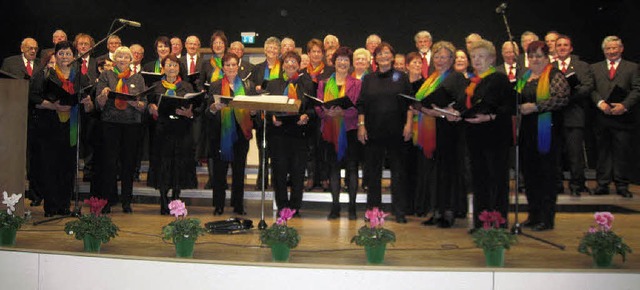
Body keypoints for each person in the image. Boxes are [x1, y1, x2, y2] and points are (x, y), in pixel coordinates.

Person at [28, 40, 93, 217]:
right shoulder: (46, 74)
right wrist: (53, 106)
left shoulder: (80, 76)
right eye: (61, 53)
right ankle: (51, 206)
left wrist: (88, 103)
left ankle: (65, 205)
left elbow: (88, 104)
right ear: (55, 55)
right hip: (49, 126)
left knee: (68, 167)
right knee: (50, 166)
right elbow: (32, 97)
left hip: (71, 127)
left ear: (74, 56)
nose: (65, 57)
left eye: (68, 54)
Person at [412, 41, 467, 228]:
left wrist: (440, 112)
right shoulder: (431, 78)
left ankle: (449, 212)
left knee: (449, 172)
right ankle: (436, 210)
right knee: (434, 173)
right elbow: (422, 102)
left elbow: (461, 105)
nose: (440, 60)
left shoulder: (456, 77)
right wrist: (422, 107)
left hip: (449, 131)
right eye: (436, 56)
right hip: (431, 130)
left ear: (452, 59)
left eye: (444, 57)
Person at [516, 41, 569, 231]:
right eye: (531, 56)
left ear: (547, 58)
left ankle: (546, 218)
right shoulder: (525, 77)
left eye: (538, 56)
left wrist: (536, 107)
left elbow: (561, 98)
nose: (534, 60)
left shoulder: (555, 75)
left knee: (547, 175)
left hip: (548, 132)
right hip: (526, 132)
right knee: (530, 175)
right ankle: (533, 214)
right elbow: (516, 98)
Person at [356, 42, 411, 224]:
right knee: (373, 173)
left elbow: (409, 104)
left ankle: (400, 211)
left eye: (387, 53)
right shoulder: (369, 79)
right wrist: (362, 125)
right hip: (373, 131)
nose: (383, 56)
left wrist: (408, 124)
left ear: (392, 57)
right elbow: (362, 104)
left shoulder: (402, 77)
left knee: (399, 173)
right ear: (375, 58)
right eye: (380, 53)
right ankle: (373, 210)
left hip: (397, 131)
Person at [462, 40, 514, 232]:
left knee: (496, 179)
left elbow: (508, 107)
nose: (476, 60)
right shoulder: (472, 82)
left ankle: (498, 222)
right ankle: (481, 221)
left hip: (494, 136)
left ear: (492, 58)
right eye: (473, 57)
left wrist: (490, 116)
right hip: (475, 136)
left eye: (481, 56)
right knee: (479, 180)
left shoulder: (498, 79)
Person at [95, 46, 148, 214]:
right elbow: (99, 104)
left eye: (126, 57)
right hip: (110, 123)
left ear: (131, 60)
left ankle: (127, 200)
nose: (123, 60)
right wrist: (103, 94)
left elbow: (143, 105)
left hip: (131, 125)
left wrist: (135, 103)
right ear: (115, 59)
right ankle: (108, 200)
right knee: (109, 163)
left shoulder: (138, 78)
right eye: (120, 57)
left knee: (128, 164)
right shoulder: (106, 75)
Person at [146, 54, 198, 215]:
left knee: (179, 166)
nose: (172, 68)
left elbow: (195, 109)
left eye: (175, 65)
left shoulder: (187, 87)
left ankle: (176, 198)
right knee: (163, 166)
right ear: (163, 67)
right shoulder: (156, 86)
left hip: (181, 131)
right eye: (169, 65)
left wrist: (189, 112)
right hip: (162, 132)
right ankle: (163, 199)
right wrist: (151, 108)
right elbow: (148, 106)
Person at [207, 52, 257, 215]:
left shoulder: (248, 85)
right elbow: (207, 111)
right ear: (223, 67)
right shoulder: (215, 85)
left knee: (239, 171)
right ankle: (219, 205)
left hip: (241, 133)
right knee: (219, 172)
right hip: (221, 133)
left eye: (233, 64)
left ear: (238, 66)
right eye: (227, 65)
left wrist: (254, 111)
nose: (230, 68)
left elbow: (255, 111)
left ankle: (238, 205)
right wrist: (214, 108)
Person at [315, 47, 362, 220]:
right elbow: (318, 105)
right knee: (333, 169)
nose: (342, 63)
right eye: (339, 59)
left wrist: (343, 113)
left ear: (350, 64)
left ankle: (352, 208)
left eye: (346, 60)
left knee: (351, 169)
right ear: (334, 62)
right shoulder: (324, 83)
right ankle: (335, 207)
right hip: (330, 130)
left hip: (349, 130)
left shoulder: (357, 83)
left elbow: (358, 106)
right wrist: (325, 113)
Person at [266, 51, 313, 216]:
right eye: (287, 61)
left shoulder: (307, 84)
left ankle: (295, 206)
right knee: (279, 173)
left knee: (297, 173)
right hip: (278, 134)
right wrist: (271, 117)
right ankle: (282, 206)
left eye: (294, 61)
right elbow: (265, 107)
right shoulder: (273, 84)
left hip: (299, 134)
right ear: (282, 65)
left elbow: (313, 108)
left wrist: (307, 115)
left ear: (299, 65)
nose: (291, 64)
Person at [590, 36, 638, 198]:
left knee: (621, 151)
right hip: (601, 116)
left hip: (622, 117)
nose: (611, 51)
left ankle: (622, 185)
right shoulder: (594, 68)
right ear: (604, 50)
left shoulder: (632, 67)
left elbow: (637, 89)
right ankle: (602, 184)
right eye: (608, 49)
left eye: (614, 48)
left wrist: (624, 106)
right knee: (602, 152)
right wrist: (600, 103)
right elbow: (591, 89)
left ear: (621, 49)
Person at [553, 35, 594, 196]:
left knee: (575, 154)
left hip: (574, 115)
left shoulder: (582, 66)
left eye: (565, 45)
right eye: (559, 45)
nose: (562, 47)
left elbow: (588, 86)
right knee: (554, 154)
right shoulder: (549, 66)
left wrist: (568, 96)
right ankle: (556, 184)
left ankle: (577, 184)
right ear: (555, 49)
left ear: (571, 48)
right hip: (555, 116)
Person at [2, 37, 41, 206]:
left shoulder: (41, 65)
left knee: (35, 156)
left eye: (35, 48)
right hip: (14, 116)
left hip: (36, 116)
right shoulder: (10, 63)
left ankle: (35, 192)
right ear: (22, 48)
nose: (33, 51)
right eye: (29, 48)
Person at [301, 38, 334, 191]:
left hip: (324, 115)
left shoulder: (329, 71)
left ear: (323, 53)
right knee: (309, 148)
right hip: (307, 115)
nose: (316, 54)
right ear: (308, 53)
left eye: (319, 51)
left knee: (324, 147)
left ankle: (325, 177)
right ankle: (311, 177)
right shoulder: (301, 73)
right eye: (313, 51)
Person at [250, 36, 282, 190]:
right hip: (261, 115)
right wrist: (257, 90)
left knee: (276, 151)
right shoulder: (257, 68)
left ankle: (277, 182)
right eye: (269, 48)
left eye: (275, 48)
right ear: (264, 50)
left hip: (278, 115)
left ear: (279, 51)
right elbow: (251, 89)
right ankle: (261, 181)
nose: (272, 50)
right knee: (262, 150)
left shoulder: (283, 68)